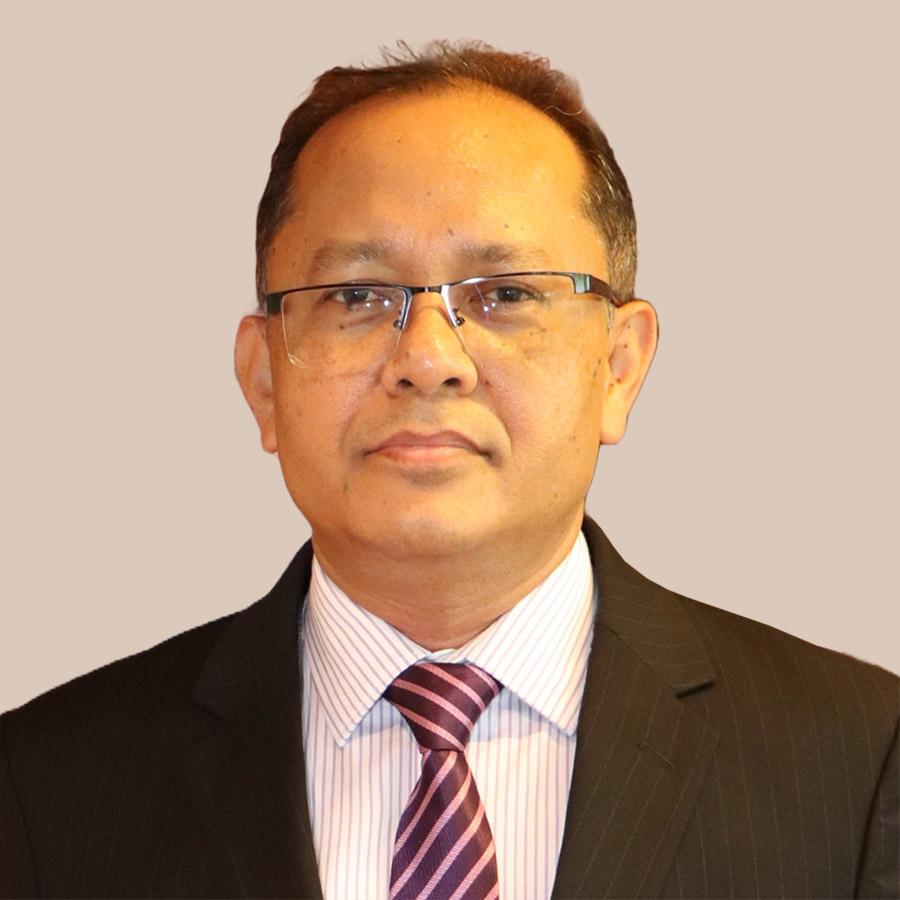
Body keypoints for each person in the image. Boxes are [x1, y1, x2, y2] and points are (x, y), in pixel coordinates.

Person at [1, 40, 897, 900]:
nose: (429, 360)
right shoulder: (45, 788)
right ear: (264, 379)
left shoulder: (858, 764)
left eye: (504, 294)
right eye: (357, 296)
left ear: (619, 367)